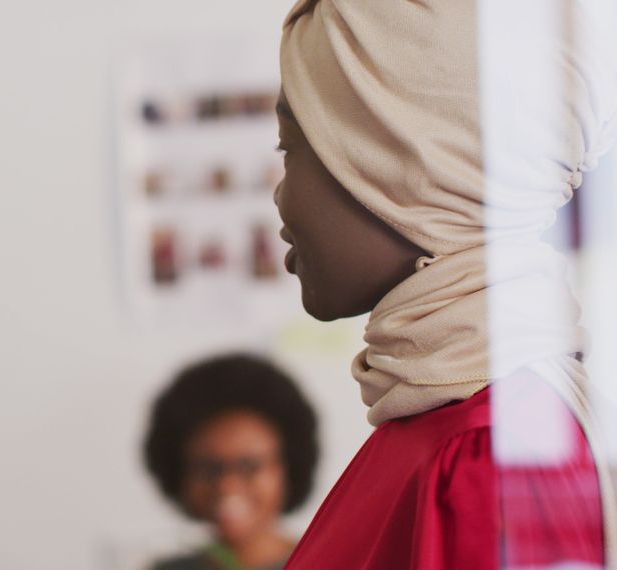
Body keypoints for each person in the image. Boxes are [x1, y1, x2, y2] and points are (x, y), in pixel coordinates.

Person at [274, 1, 617, 568]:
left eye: (291, 148)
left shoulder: (488, 453)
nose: (280, 196)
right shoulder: (447, 420)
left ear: (414, 171)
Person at [143, 354, 319, 570]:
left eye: (249, 466)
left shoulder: (335, 563)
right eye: (209, 469)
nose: (227, 485)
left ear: (288, 467)